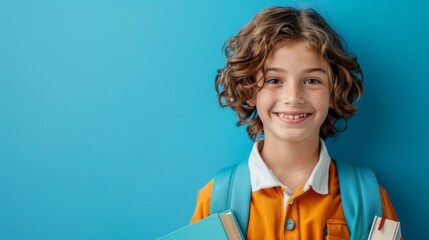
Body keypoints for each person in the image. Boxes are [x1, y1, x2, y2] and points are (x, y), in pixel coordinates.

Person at [190, 6, 399, 239]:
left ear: (334, 90)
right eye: (274, 80)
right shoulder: (214, 201)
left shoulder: (369, 198)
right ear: (249, 90)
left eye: (311, 80)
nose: (293, 97)